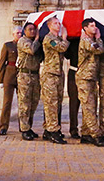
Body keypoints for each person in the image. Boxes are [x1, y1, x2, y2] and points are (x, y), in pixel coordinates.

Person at [75, 18, 104, 146]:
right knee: (89, 106)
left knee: (90, 106)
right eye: (92, 26)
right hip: (84, 78)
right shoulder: (85, 40)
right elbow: (99, 49)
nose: (95, 28)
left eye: (95, 25)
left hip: (91, 77)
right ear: (85, 28)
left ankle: (86, 133)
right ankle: (96, 134)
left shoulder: (90, 40)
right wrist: (98, 38)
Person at [41, 16, 69, 144]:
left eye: (59, 23)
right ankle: (53, 130)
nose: (59, 25)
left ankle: (49, 128)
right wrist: (64, 37)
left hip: (58, 73)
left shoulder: (56, 38)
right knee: (51, 103)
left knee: (57, 103)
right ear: (49, 26)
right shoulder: (49, 39)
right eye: (56, 23)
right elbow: (61, 48)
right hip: (50, 74)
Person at [16, 22, 41, 140]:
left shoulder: (36, 43)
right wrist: (37, 39)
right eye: (30, 29)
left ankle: (28, 126)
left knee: (34, 102)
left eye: (34, 30)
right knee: (24, 103)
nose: (32, 31)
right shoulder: (23, 41)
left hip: (35, 75)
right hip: (24, 75)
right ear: (24, 31)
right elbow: (31, 50)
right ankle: (24, 128)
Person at [0, 27, 21, 135]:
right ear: (13, 34)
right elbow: (2, 63)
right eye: (17, 33)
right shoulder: (8, 45)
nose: (19, 35)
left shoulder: (24, 45)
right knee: (7, 102)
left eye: (20, 33)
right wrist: (0, 79)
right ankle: (3, 126)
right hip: (9, 76)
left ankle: (23, 126)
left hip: (21, 76)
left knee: (23, 103)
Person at [65, 40, 81, 140]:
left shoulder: (92, 41)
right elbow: (66, 54)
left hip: (87, 74)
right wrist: (66, 39)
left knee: (88, 103)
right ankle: (73, 128)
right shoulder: (73, 42)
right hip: (74, 72)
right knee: (74, 102)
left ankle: (88, 129)